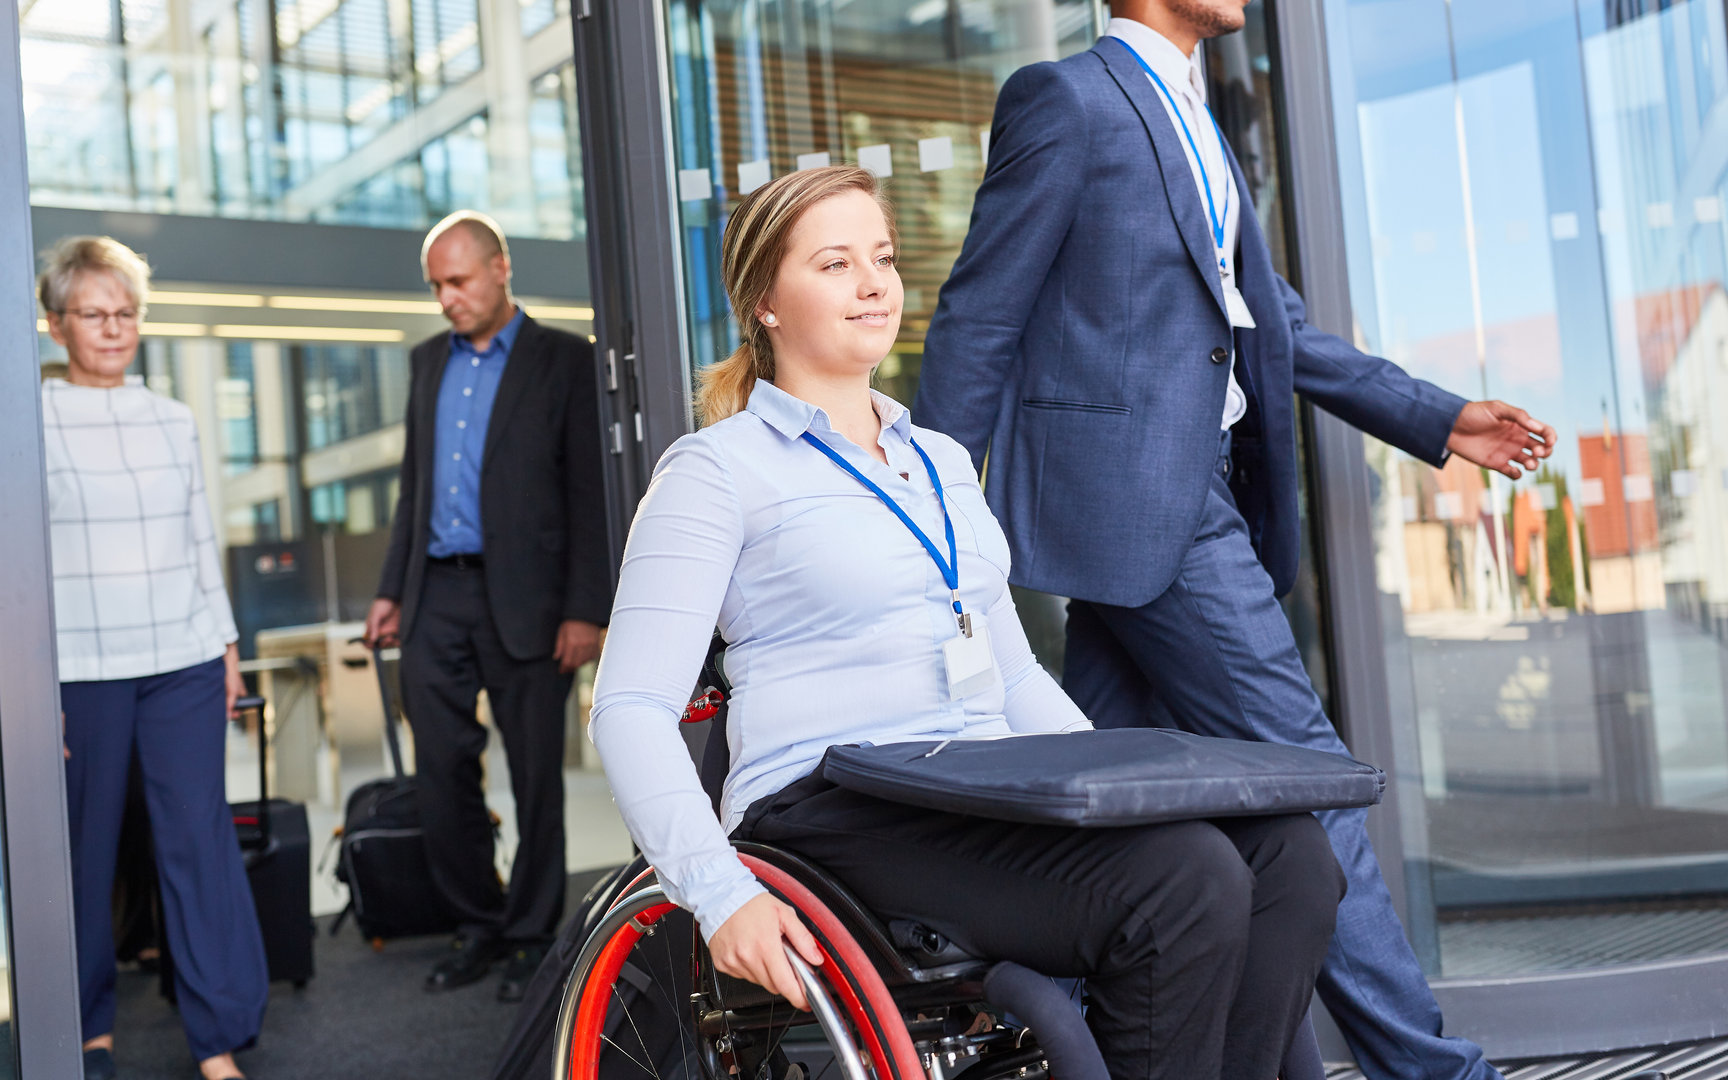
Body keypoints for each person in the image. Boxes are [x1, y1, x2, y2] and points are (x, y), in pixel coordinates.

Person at [912, 3, 1558, 1078]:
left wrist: (1436, 417)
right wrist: (929, 511)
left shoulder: (1201, 122)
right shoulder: (1065, 101)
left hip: (1177, 508)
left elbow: (1274, 324)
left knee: (1092, 800)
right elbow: (983, 311)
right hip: (1144, 507)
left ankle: (1016, 1023)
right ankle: (1434, 1071)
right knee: (1313, 779)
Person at [590, 165, 1345, 1080]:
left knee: (1290, 857)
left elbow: (1014, 677)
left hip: (980, 784)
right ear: (764, 303)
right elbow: (629, 705)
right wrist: (718, 896)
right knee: (1185, 881)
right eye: (835, 264)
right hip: (834, 804)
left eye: (883, 257)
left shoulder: (940, 461)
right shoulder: (716, 471)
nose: (873, 283)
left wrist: (1125, 791)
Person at [363, 210, 613, 1002]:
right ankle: (477, 922)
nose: (446, 298)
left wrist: (585, 608)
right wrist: (391, 590)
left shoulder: (566, 360)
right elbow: (416, 487)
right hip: (436, 592)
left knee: (536, 774)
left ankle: (532, 935)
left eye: (458, 280)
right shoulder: (427, 362)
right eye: (436, 285)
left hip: (532, 601)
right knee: (441, 769)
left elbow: (587, 494)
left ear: (501, 268)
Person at [39, 236, 266, 1080]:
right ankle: (84, 1032)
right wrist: (35, 686)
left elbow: (201, 542)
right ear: (55, 323)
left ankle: (217, 1041)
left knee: (198, 844)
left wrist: (226, 649)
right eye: (93, 315)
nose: (112, 329)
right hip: (80, 667)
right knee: (82, 855)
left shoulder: (174, 419)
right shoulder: (31, 417)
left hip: (181, 659)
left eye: (125, 313)